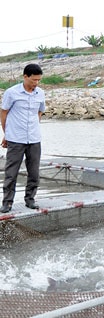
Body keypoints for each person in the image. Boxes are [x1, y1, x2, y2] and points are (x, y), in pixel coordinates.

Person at [0, 64, 46, 213]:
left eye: (39, 80)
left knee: (34, 173)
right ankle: (7, 203)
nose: (36, 83)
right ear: (25, 77)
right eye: (34, 80)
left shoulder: (40, 93)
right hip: (16, 139)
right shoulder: (11, 93)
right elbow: (4, 113)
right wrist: (7, 133)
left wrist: (34, 125)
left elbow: (40, 112)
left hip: (34, 138)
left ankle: (30, 200)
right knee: (11, 173)